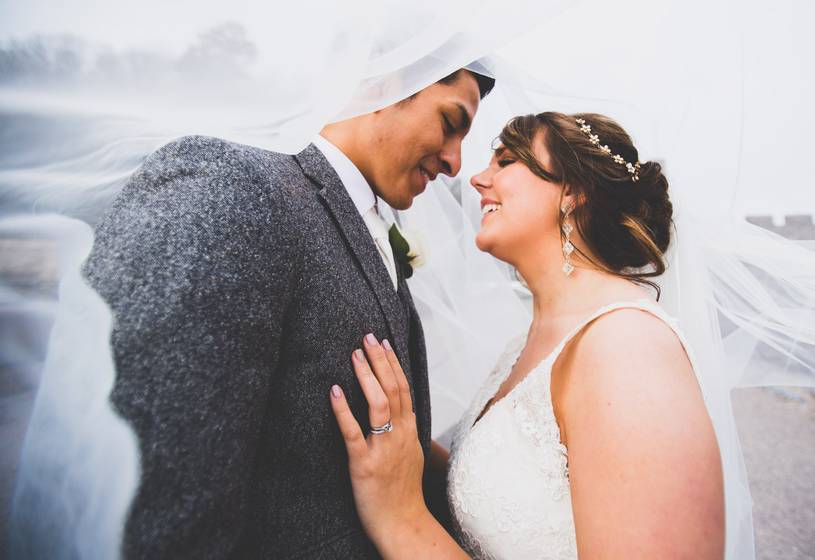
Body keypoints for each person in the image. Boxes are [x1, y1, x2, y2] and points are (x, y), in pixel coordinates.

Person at [29, 68, 493, 559]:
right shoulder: (234, 182)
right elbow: (150, 488)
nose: (455, 163)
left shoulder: (365, 221)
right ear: (387, 83)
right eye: (449, 122)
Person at [330, 111, 725, 559]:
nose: (477, 179)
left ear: (573, 191)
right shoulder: (527, 346)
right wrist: (401, 445)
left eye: (506, 161)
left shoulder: (627, 348)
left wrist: (401, 518)